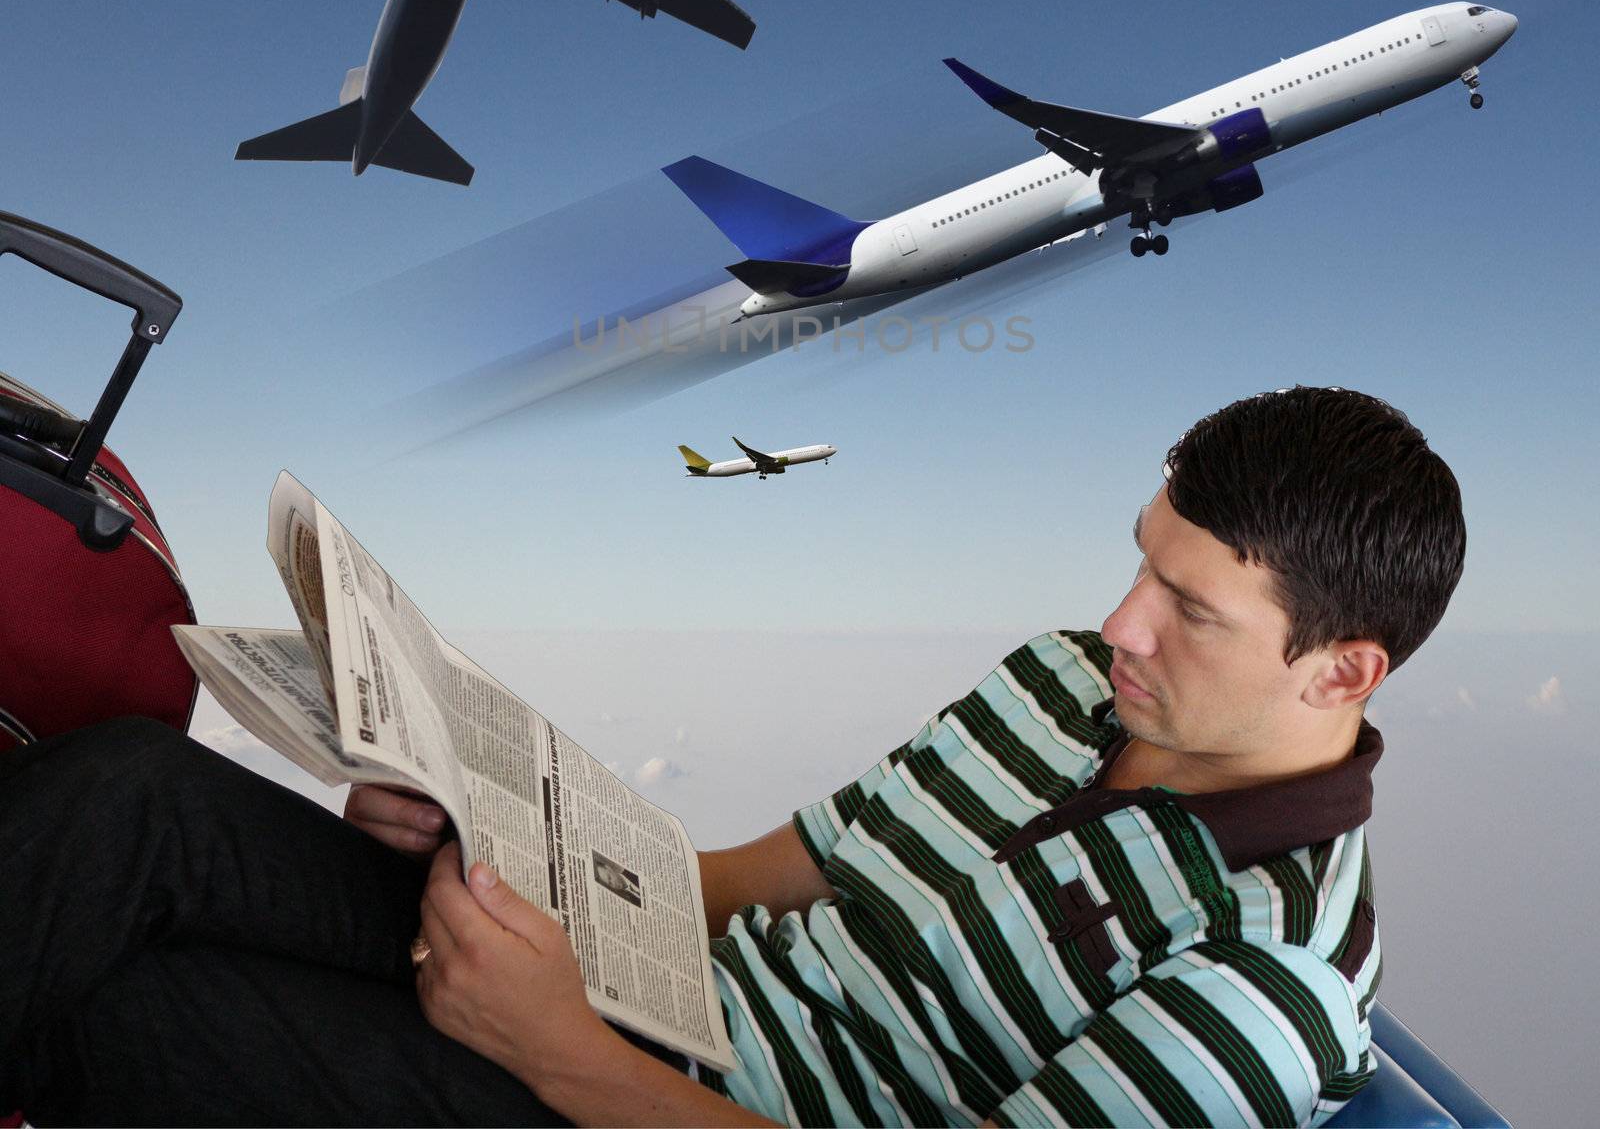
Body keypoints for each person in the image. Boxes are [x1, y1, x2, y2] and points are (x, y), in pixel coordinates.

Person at [0, 386, 1463, 1127]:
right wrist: (489, 824)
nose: (1115, 624)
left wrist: (561, 1052)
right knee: (130, 788)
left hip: (636, 1101)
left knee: (126, 1015)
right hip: (633, 1003)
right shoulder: (1064, 686)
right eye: (1139, 564)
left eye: (1188, 611)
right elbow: (747, 879)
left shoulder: (1266, 983)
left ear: (1340, 670)